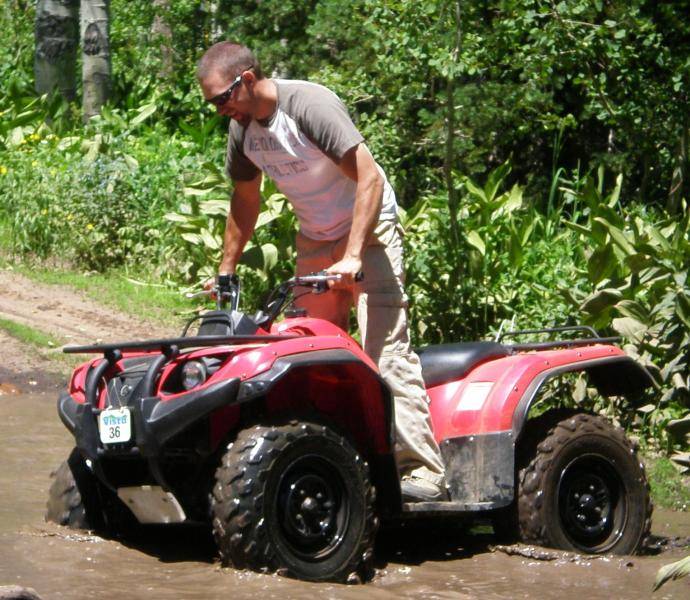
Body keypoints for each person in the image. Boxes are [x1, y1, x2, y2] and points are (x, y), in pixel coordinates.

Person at [196, 41, 447, 502]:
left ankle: (423, 472)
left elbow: (368, 176)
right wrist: (226, 269)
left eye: (222, 98)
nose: (219, 110)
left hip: (369, 230)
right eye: (212, 102)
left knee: (383, 354)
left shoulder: (309, 106)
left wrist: (352, 256)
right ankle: (334, 462)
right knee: (308, 353)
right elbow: (245, 200)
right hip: (314, 236)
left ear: (247, 79)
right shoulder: (243, 128)